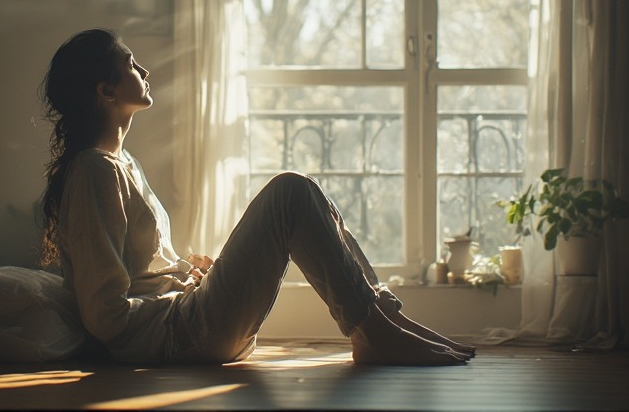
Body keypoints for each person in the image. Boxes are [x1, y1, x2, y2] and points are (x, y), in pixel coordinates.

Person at [39, 28, 476, 366]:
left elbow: (141, 272)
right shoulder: (93, 171)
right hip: (178, 334)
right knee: (290, 193)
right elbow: (105, 316)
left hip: (188, 316)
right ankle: (374, 331)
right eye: (131, 64)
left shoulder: (121, 162)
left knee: (308, 196)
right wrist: (176, 297)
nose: (145, 71)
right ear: (106, 91)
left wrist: (187, 274)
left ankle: (384, 320)